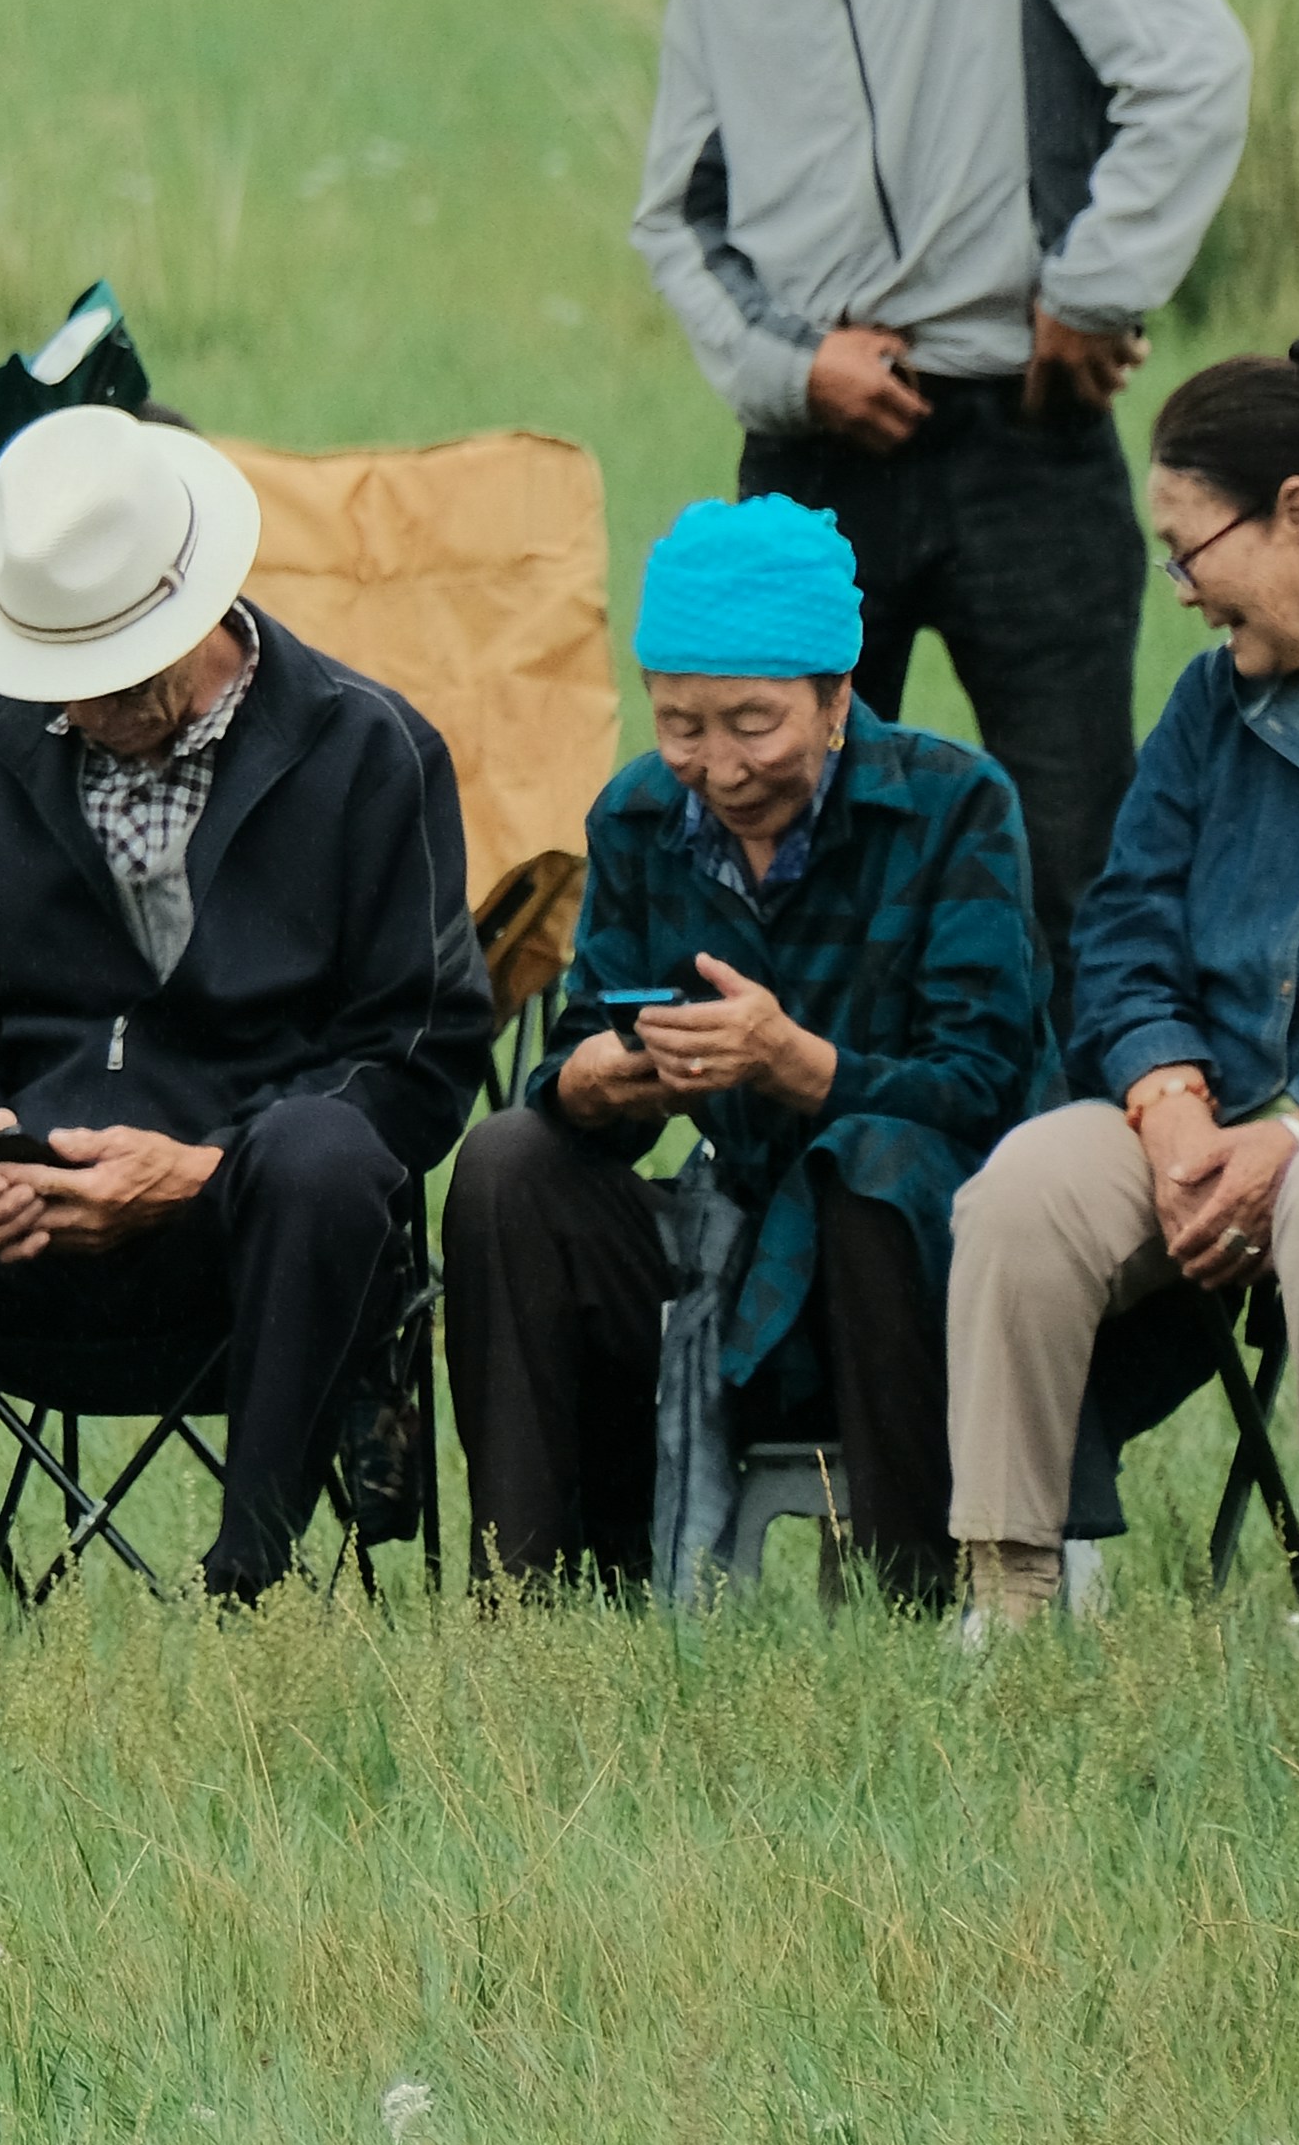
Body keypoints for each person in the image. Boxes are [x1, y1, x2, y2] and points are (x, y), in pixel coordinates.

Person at [0, 405, 486, 1600]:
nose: (83, 709)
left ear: (195, 604)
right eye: (53, 676)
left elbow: (420, 1056)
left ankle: (253, 1585)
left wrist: (201, 1170)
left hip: (248, 1250)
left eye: (113, 675)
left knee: (324, 1151)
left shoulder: (369, 751)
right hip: (1, 1248)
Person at [626, 0, 1248, 955]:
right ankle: (806, 1167)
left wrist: (1095, 289)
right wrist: (793, 372)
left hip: (1023, 429)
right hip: (812, 461)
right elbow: (676, 216)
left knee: (1077, 844)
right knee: (790, 846)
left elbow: (1192, 66)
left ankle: (1093, 1157)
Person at [440, 498, 1037, 1606]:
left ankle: (916, 1596)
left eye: (753, 722)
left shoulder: (957, 806)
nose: (715, 764)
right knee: (510, 1161)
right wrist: (595, 1084)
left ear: (838, 697)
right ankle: (529, 1600)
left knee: (869, 1160)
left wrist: (797, 1063)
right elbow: (582, 1034)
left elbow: (987, 1087)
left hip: (920, 1256)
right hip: (734, 1229)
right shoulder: (634, 814)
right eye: (681, 724)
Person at [938, 337, 1299, 1638]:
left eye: (1188, 547)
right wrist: (1169, 1095)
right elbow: (1122, 927)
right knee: (1023, 1189)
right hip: (1202, 1112)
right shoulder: (1207, 708)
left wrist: (1295, 1130)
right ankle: (1010, 1593)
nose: (1179, 589)